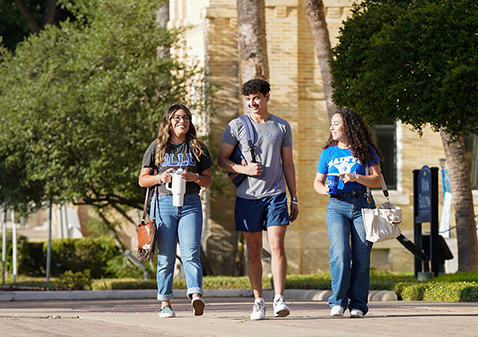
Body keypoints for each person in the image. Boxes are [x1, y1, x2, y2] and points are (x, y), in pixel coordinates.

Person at [217, 78, 299, 320]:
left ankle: (279, 298)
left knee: (276, 246)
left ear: (267, 97)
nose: (252, 103)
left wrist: (294, 198)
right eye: (248, 99)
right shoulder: (236, 126)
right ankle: (258, 301)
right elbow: (222, 159)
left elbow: (288, 164)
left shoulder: (282, 127)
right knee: (253, 249)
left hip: (275, 194)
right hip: (247, 196)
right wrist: (244, 170)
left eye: (257, 98)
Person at [139, 104, 213, 318]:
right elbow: (143, 180)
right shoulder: (157, 147)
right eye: (177, 118)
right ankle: (165, 303)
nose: (182, 121)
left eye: (186, 118)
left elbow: (208, 181)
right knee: (166, 257)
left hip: (190, 203)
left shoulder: (198, 147)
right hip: (163, 203)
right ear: (168, 122)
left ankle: (196, 295)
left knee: (191, 253)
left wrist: (195, 178)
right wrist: (160, 178)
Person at [312, 107, 383, 318]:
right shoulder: (328, 152)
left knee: (361, 255)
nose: (331, 127)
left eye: (336, 123)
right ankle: (338, 301)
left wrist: (355, 178)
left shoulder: (366, 151)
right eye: (331, 124)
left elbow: (377, 180)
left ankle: (358, 304)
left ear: (348, 126)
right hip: (336, 206)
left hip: (363, 204)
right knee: (340, 252)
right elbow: (317, 181)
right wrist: (322, 189)